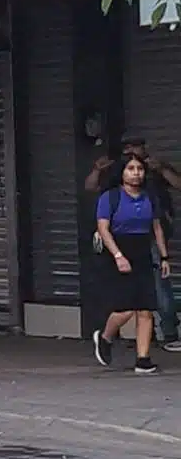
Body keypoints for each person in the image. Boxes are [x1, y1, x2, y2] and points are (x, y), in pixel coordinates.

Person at [85, 135, 181, 352]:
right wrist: (98, 169)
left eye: (136, 147)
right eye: (128, 149)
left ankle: (152, 349)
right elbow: (91, 190)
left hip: (145, 242)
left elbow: (158, 221)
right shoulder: (113, 181)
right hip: (118, 243)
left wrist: (162, 168)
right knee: (127, 304)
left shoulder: (151, 176)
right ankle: (106, 336)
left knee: (150, 299)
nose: (136, 171)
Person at [91, 153, 170, 375]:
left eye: (139, 169)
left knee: (146, 308)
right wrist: (117, 255)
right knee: (125, 308)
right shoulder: (110, 197)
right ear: (122, 173)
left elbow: (157, 229)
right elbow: (103, 229)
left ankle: (143, 359)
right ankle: (105, 337)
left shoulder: (149, 197)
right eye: (131, 169)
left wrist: (163, 257)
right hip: (117, 250)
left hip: (142, 251)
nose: (136, 173)